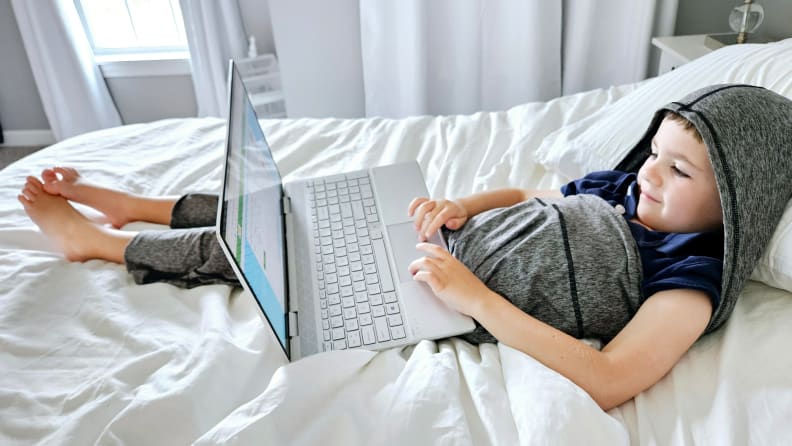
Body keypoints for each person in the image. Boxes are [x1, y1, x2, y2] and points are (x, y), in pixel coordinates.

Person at [18, 84, 792, 411]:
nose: (650, 172)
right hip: (449, 243)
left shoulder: (686, 280)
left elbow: (613, 378)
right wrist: (462, 204)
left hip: (450, 288)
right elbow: (534, 199)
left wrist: (474, 299)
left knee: (292, 252)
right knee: (302, 206)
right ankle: (144, 206)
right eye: (653, 151)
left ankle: (109, 249)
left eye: (679, 168)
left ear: (734, 204)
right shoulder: (626, 192)